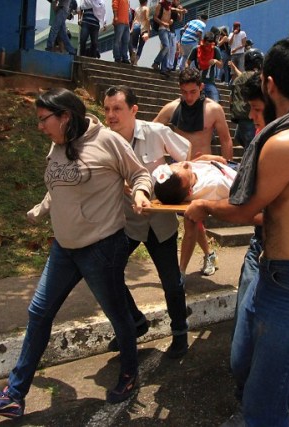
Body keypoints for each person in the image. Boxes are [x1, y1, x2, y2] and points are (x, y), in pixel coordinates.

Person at [185, 37, 289, 426]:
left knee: (261, 403)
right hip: (286, 275)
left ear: (270, 84)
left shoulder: (285, 142)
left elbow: (245, 209)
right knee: (250, 367)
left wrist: (203, 206)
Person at [0, 88, 152, 419]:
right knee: (39, 313)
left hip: (102, 248)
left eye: (44, 120)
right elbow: (59, 184)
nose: (40, 127)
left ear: (65, 117)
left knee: (119, 316)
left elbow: (139, 174)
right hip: (64, 248)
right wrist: (42, 208)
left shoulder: (108, 141)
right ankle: (14, 395)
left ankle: (129, 374)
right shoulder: (59, 143)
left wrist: (142, 193)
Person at [102, 85, 191, 358]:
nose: (111, 115)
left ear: (133, 110)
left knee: (171, 282)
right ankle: (134, 324)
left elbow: (186, 159)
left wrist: (169, 188)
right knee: (105, 272)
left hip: (160, 222)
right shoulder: (104, 141)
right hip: (126, 221)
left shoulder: (156, 132)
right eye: (107, 109)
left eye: (117, 109)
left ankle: (179, 333)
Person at [153, 67, 233, 275]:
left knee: (191, 221)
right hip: (179, 176)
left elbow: (225, 138)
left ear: (201, 87)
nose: (188, 97)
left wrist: (227, 165)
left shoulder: (213, 109)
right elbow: (150, 131)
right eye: (184, 92)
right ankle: (207, 255)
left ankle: (180, 274)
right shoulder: (171, 108)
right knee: (193, 221)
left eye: (193, 92)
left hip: (204, 173)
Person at [153, 160, 236, 276]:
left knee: (194, 222)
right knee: (192, 221)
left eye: (176, 165)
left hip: (220, 165)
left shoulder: (177, 176)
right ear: (189, 192)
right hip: (233, 176)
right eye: (188, 172)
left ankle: (207, 255)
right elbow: (239, 196)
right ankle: (182, 272)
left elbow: (189, 163)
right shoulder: (214, 186)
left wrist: (207, 158)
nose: (184, 164)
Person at [229, 49, 263, 149]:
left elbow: (231, 98)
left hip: (239, 119)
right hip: (250, 119)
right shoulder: (256, 78)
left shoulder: (238, 79)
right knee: (251, 149)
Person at [188, 31, 223, 102]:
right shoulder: (196, 49)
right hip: (197, 82)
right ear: (203, 41)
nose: (208, 46)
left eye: (210, 44)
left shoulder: (215, 50)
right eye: (206, 44)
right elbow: (187, 63)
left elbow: (220, 65)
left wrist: (215, 61)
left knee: (215, 101)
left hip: (209, 82)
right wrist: (189, 73)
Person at [151, 0, 174, 75]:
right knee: (166, 46)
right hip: (162, 29)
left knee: (167, 49)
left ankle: (163, 69)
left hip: (168, 29)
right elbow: (155, 17)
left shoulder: (170, 6)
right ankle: (156, 62)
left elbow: (172, 16)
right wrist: (162, 23)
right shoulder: (160, 5)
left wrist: (171, 21)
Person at [129, 0, 149, 65]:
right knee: (141, 46)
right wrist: (148, 30)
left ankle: (134, 51)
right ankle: (136, 61)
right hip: (143, 27)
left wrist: (131, 29)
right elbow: (147, 19)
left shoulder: (136, 9)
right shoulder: (146, 8)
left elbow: (134, 20)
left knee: (134, 44)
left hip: (136, 26)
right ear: (146, 2)